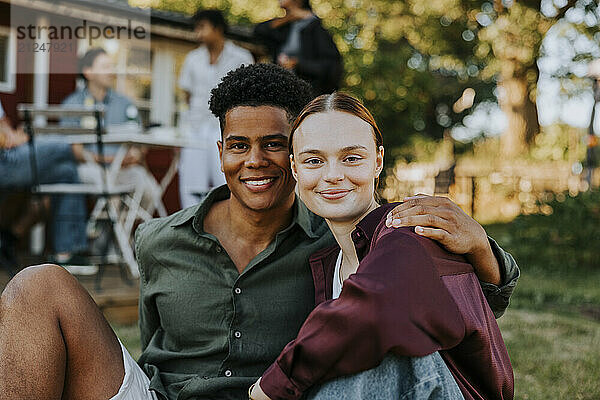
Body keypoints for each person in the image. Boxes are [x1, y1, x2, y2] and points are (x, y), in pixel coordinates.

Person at [0, 64, 518, 399]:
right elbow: (152, 346)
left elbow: (455, 297)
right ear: (221, 152)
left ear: (292, 156)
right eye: (238, 145)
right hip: (163, 398)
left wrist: (481, 246)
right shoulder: (159, 239)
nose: (255, 162)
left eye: (273, 144)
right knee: (37, 283)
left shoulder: (332, 238)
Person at [249, 92, 514, 400]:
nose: (332, 175)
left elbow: (376, 310)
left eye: (351, 158)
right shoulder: (324, 259)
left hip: (441, 390)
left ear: (377, 161)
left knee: (385, 347)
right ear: (295, 170)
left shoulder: (408, 228)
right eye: (314, 161)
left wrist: (269, 387)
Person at [62, 48, 161, 219]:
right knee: (112, 194)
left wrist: (135, 154)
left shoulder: (124, 103)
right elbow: (74, 150)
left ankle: (116, 240)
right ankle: (115, 243)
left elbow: (140, 141)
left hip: (123, 169)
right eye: (105, 66)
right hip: (90, 168)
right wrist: (112, 161)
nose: (111, 71)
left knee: (151, 191)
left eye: (111, 66)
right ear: (88, 72)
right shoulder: (73, 104)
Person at [0, 100, 89, 274]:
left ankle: (65, 254)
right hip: (4, 160)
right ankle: (96, 159)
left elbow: (4, 123)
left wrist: (12, 134)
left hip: (10, 154)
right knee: (65, 145)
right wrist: (7, 138)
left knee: (67, 172)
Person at [178, 9, 254, 208]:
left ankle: (232, 224)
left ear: (218, 28)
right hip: (195, 128)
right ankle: (190, 228)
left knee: (227, 179)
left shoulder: (241, 57)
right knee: (191, 183)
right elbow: (186, 94)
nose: (198, 33)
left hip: (227, 128)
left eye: (202, 27)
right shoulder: (192, 59)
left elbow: (249, 95)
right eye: (196, 28)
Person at [254, 0, 343, 96]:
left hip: (309, 92)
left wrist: (297, 63)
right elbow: (259, 31)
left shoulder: (316, 29)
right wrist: (290, 18)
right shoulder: (287, 26)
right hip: (282, 88)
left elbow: (329, 67)